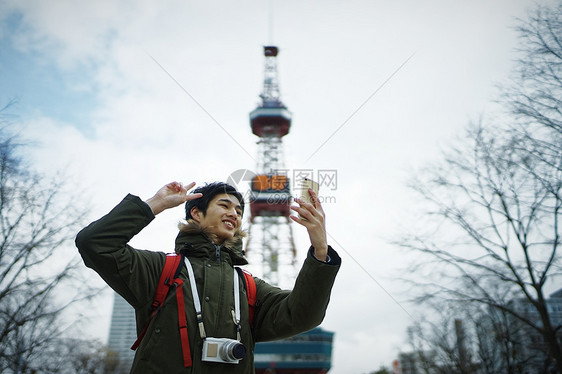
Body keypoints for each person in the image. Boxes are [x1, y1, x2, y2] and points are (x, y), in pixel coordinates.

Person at [76, 181, 341, 373]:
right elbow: (95, 243)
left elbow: (303, 314)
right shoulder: (159, 270)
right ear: (196, 213)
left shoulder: (247, 287)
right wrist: (156, 204)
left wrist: (320, 249)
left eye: (238, 211)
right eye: (224, 205)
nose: (234, 214)